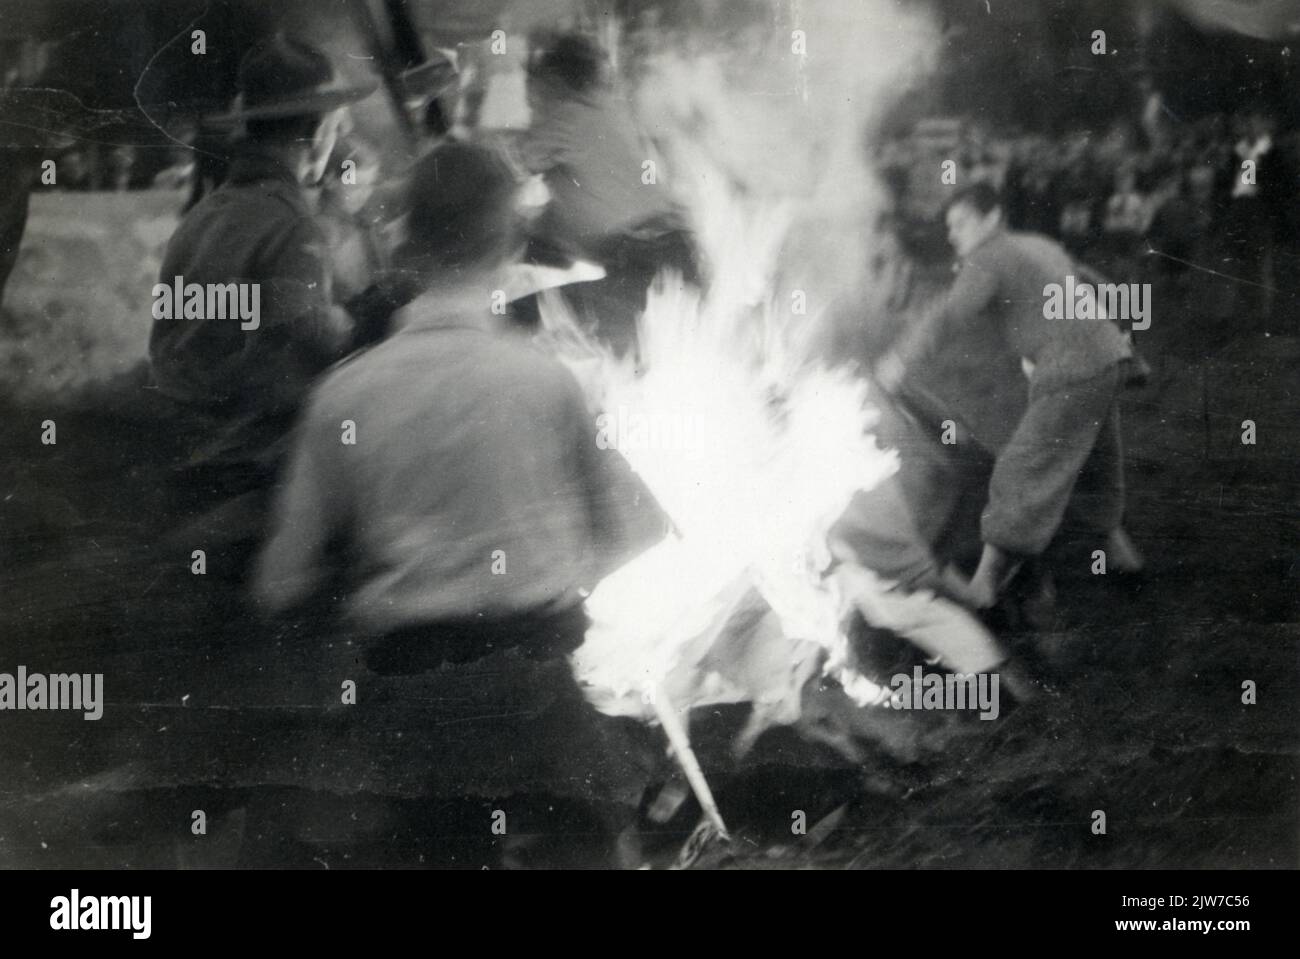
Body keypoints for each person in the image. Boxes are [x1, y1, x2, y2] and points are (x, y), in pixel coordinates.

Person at [253, 140, 660, 867]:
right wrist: (555, 567)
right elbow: (637, 530)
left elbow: (280, 582)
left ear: (405, 244)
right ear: (508, 242)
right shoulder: (544, 382)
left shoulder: (343, 394)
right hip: (538, 709)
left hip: (413, 719)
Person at [148, 35, 378, 570]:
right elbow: (322, 344)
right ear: (316, 130)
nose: (337, 138)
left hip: (185, 449)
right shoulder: (289, 225)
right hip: (255, 468)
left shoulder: (202, 218)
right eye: (336, 125)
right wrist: (375, 313)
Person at [875, 182, 1143, 610]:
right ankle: (1119, 554)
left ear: (992, 218)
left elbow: (949, 315)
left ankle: (984, 585)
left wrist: (900, 359)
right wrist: (1107, 331)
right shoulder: (1036, 243)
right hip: (1109, 359)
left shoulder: (988, 257)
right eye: (949, 225)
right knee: (1095, 458)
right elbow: (1090, 280)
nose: (952, 233)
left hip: (1072, 368)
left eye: (961, 222)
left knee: (1021, 469)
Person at [520, 31, 697, 355]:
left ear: (553, 83)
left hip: (640, 265)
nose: (531, 102)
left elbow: (500, 171)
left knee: (514, 317)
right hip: (679, 254)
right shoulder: (611, 111)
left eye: (534, 91)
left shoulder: (566, 117)